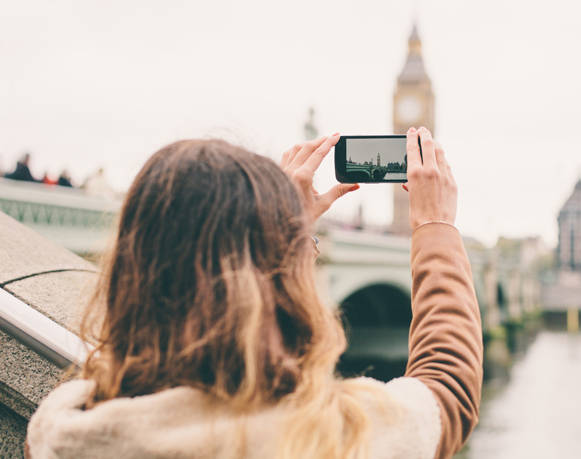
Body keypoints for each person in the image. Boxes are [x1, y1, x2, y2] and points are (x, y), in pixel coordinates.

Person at [26, 127, 482, 459]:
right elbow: (446, 385)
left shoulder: (60, 432)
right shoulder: (330, 437)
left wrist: (284, 230)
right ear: (278, 290)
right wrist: (435, 226)